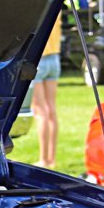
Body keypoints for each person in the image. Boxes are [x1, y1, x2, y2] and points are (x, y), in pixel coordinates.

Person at [31, 17, 62, 170]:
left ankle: (43, 159)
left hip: (40, 59)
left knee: (40, 111)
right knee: (51, 110)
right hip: (54, 58)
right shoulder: (57, 9)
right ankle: (52, 159)